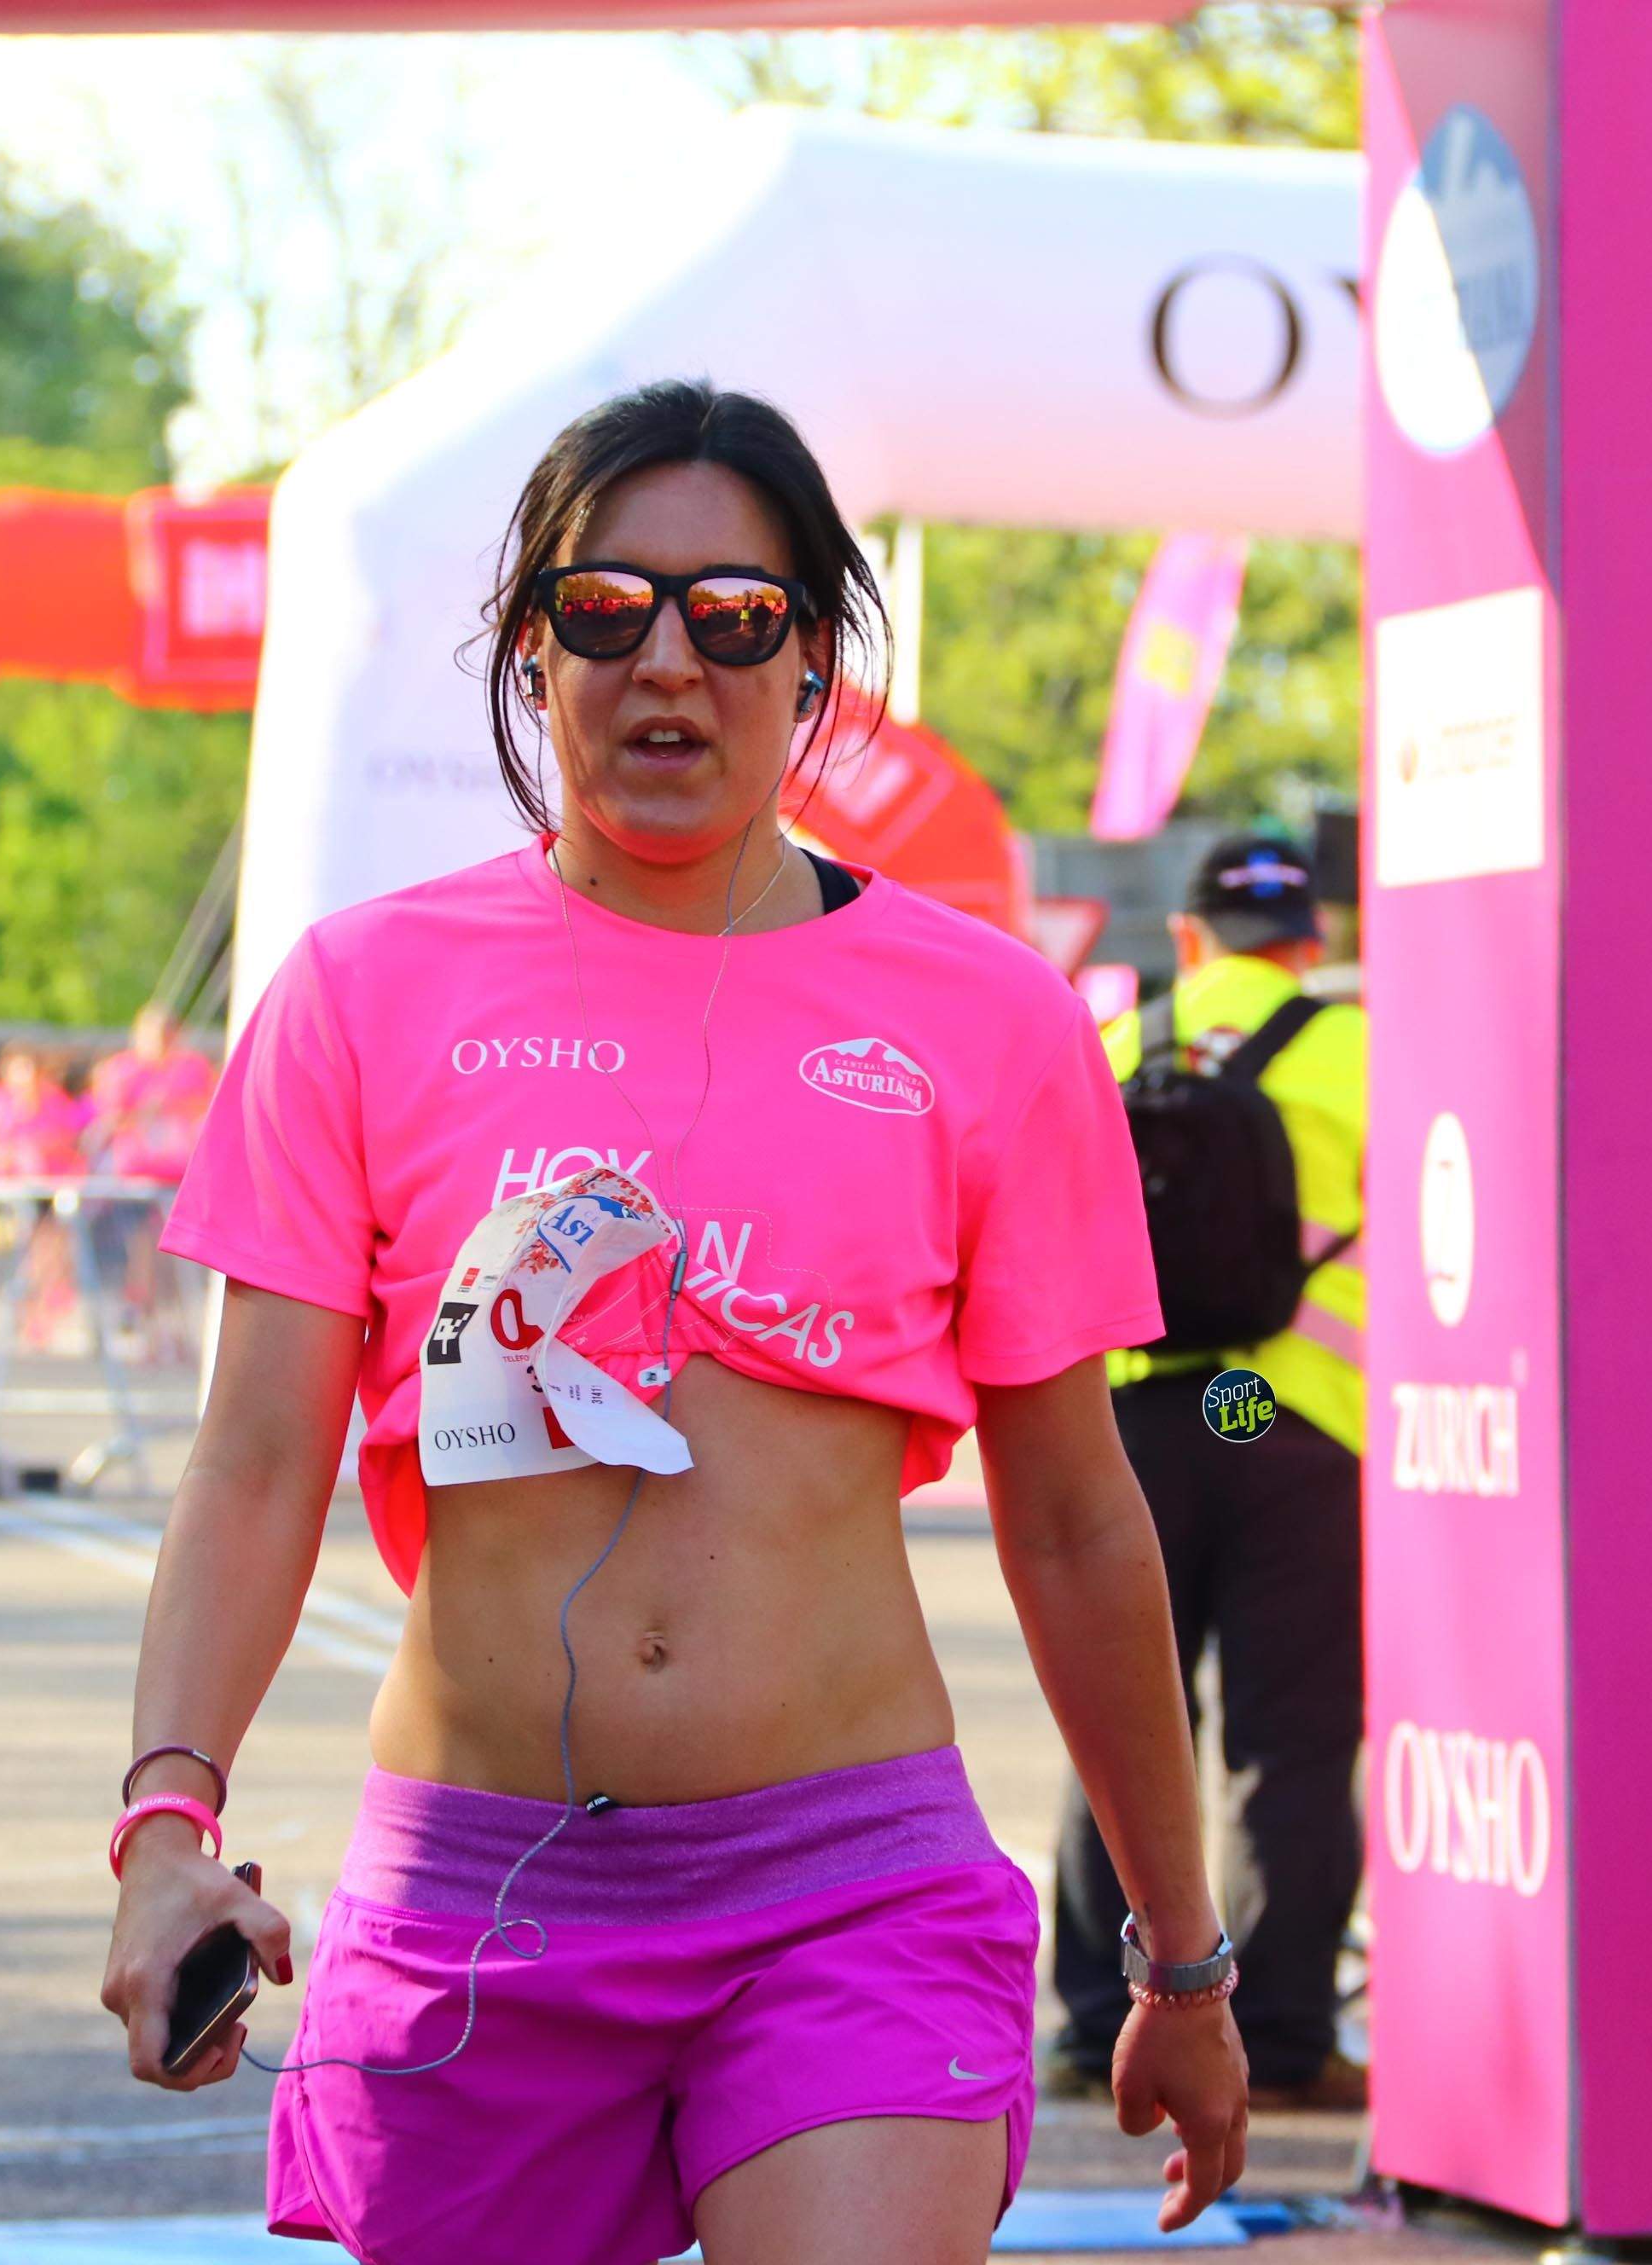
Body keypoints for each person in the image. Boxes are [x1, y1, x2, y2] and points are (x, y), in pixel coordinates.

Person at [100, 381, 1247, 2265]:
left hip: (846, 1896)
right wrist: (161, 1829)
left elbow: (1074, 1517)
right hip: (473, 1901)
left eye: (735, 619)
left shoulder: (986, 1020)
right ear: (528, 648)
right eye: (605, 608)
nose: (670, 665)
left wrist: (1181, 1958)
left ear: (814, 662)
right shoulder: (362, 994)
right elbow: (250, 1468)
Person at [1046, 832, 1371, 2113]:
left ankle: (1086, 2023)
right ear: (1314, 941)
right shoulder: (1364, 1050)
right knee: (1290, 1742)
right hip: (1281, 1417)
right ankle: (1285, 2037)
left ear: (1187, 941)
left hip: (1141, 1422)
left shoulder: (1118, 1048)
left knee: (1124, 1721)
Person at [85, 1005, 217, 1358]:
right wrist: (148, 1111)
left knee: (174, 1259)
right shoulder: (123, 1071)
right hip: (136, 1180)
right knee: (143, 1249)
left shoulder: (192, 1068)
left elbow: (207, 1107)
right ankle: (144, 1321)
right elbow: (109, 1118)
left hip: (180, 1178)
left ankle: (168, 1325)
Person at [0, 1045, 90, 1345]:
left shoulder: (53, 1101)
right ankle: (26, 1313)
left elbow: (70, 1142)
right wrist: (5, 1155)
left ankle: (40, 1317)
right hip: (12, 1192)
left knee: (49, 1254)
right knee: (28, 1253)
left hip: (50, 1191)